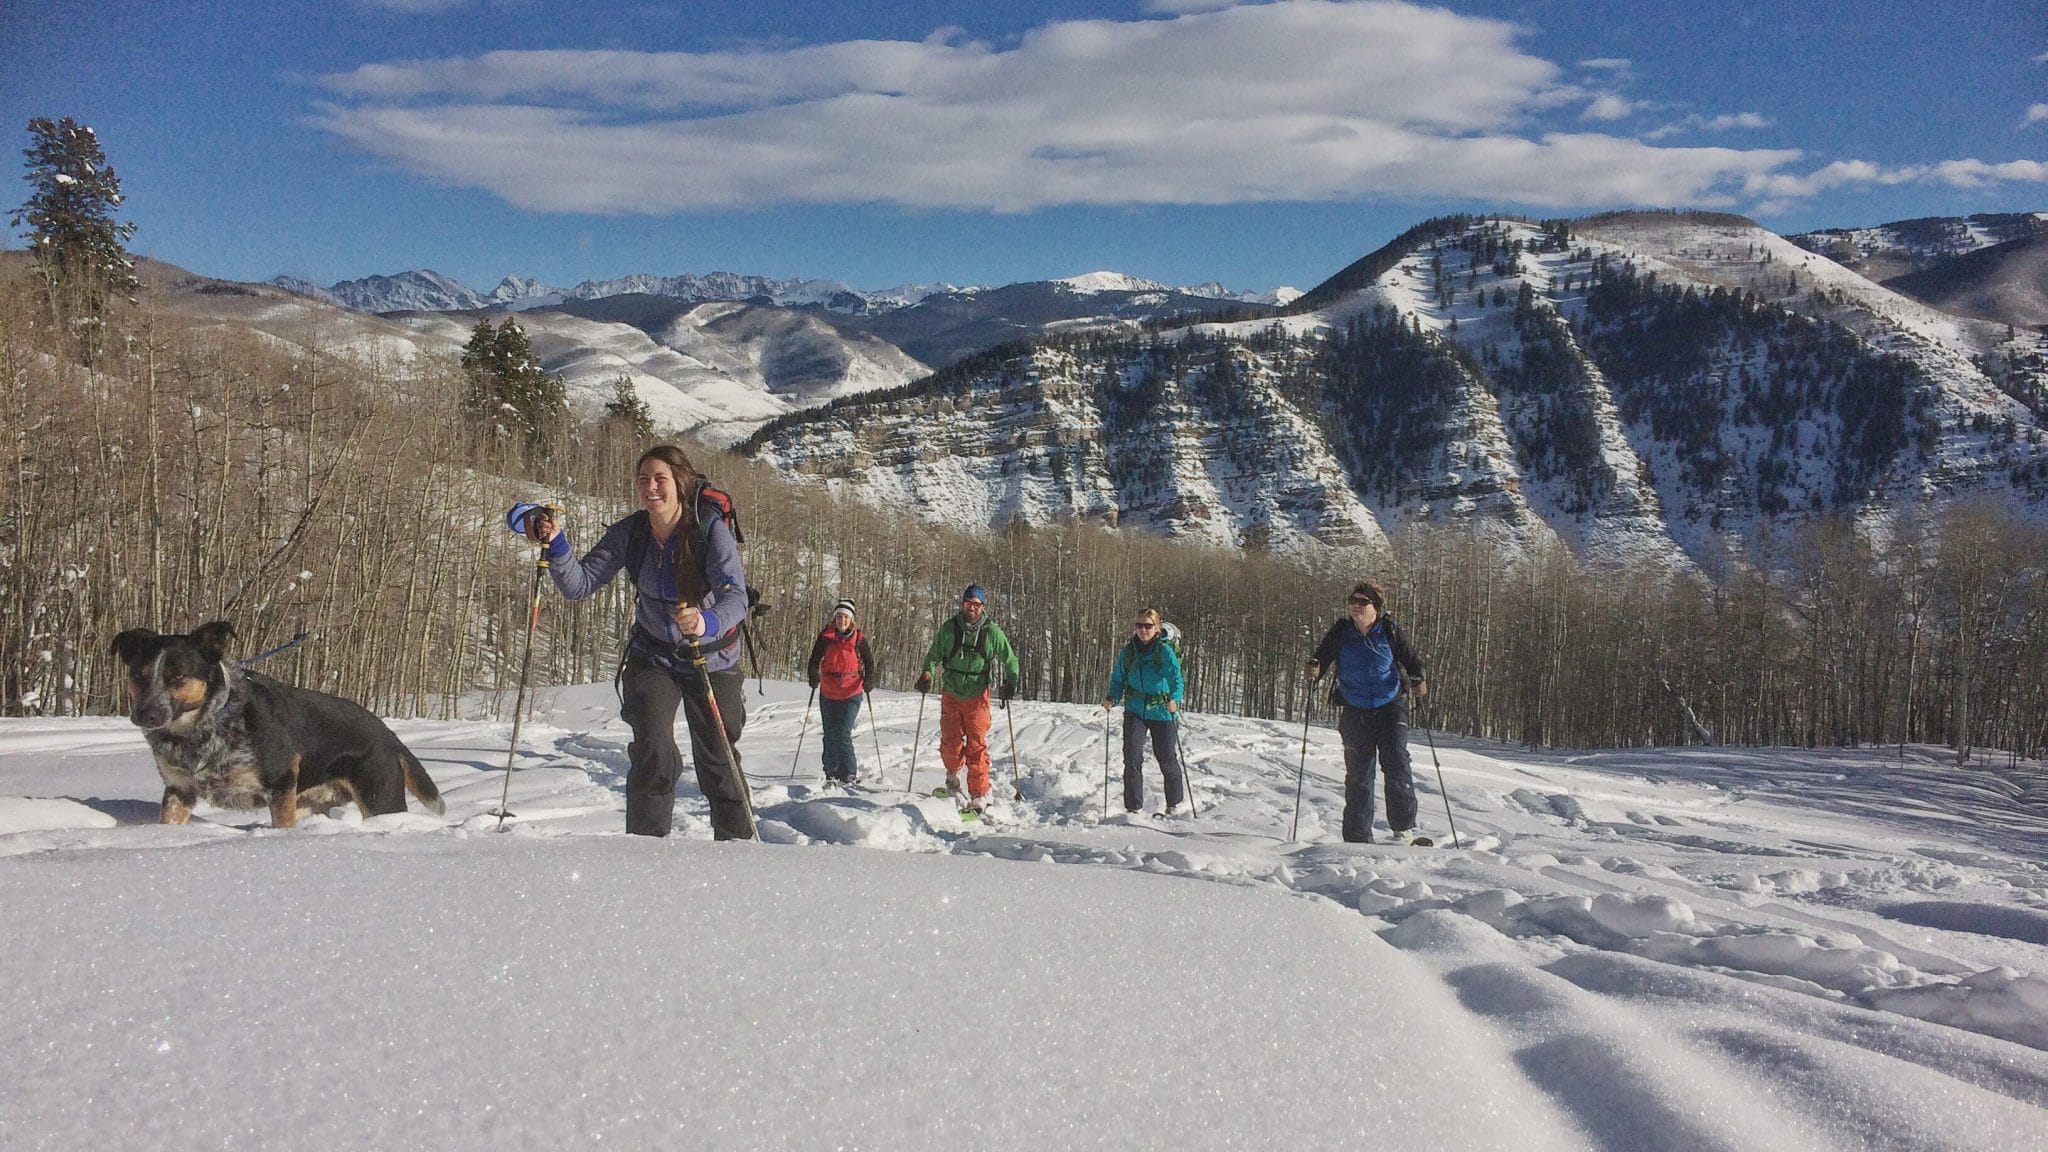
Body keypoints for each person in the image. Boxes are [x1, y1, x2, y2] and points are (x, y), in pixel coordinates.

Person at [516, 445, 754, 839]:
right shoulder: (633, 532)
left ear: (680, 483)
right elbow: (580, 585)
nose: (650, 488)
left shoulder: (709, 530)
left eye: (660, 479)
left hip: (712, 657)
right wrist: (557, 545)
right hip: (654, 655)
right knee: (652, 753)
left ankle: (739, 853)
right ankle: (644, 853)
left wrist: (706, 620)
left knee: (719, 760)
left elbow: (736, 597)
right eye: (643, 479)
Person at [1305, 580, 1428, 844]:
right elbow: (1322, 657)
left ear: (1376, 607)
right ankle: (1357, 837)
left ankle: (1403, 830)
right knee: (1359, 774)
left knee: (1396, 763)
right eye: (1353, 601)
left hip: (1389, 706)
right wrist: (1315, 669)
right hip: (1354, 708)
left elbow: (1412, 660)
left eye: (1363, 602)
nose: (1356, 606)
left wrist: (1419, 678)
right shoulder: (1341, 632)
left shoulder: (1389, 631)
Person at [914, 584, 1020, 813]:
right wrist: (926, 673)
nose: (971, 608)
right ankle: (952, 777)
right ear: (962, 604)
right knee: (950, 744)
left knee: (976, 746)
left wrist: (1011, 682)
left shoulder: (992, 632)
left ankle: (979, 793)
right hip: (951, 692)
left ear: (982, 607)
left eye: (976, 604)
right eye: (967, 603)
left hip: (977, 696)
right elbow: (933, 655)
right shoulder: (950, 629)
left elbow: (1010, 659)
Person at [1103, 607, 1187, 815]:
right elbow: (1118, 677)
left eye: (1148, 626)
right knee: (1131, 758)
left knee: (1167, 759)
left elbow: (1176, 678)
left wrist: (1175, 700)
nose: (1143, 630)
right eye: (1139, 625)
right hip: (1135, 710)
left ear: (1157, 628)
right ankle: (1133, 808)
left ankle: (1174, 804)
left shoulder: (1164, 651)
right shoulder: (1129, 651)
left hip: (1162, 711)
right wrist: (1112, 696)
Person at [805, 598, 875, 785]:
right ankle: (830, 770)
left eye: (845, 617)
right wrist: (813, 675)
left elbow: (869, 663)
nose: (841, 621)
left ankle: (848, 772)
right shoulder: (826, 637)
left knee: (843, 733)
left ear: (851, 619)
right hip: (828, 691)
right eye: (839, 617)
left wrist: (870, 680)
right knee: (829, 733)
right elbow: (814, 659)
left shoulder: (858, 638)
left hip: (852, 691)